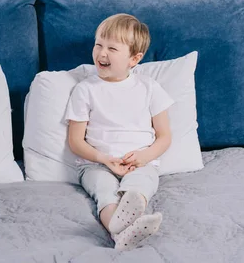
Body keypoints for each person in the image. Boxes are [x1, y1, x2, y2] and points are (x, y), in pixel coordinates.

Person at [65, 13, 174, 251]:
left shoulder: (149, 88)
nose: (101, 53)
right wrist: (104, 159)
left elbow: (165, 136)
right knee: (105, 192)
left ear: (134, 58)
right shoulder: (85, 90)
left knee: (139, 187)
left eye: (112, 48)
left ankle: (126, 223)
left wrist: (144, 157)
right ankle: (120, 232)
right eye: (98, 45)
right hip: (96, 164)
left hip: (139, 163)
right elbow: (75, 140)